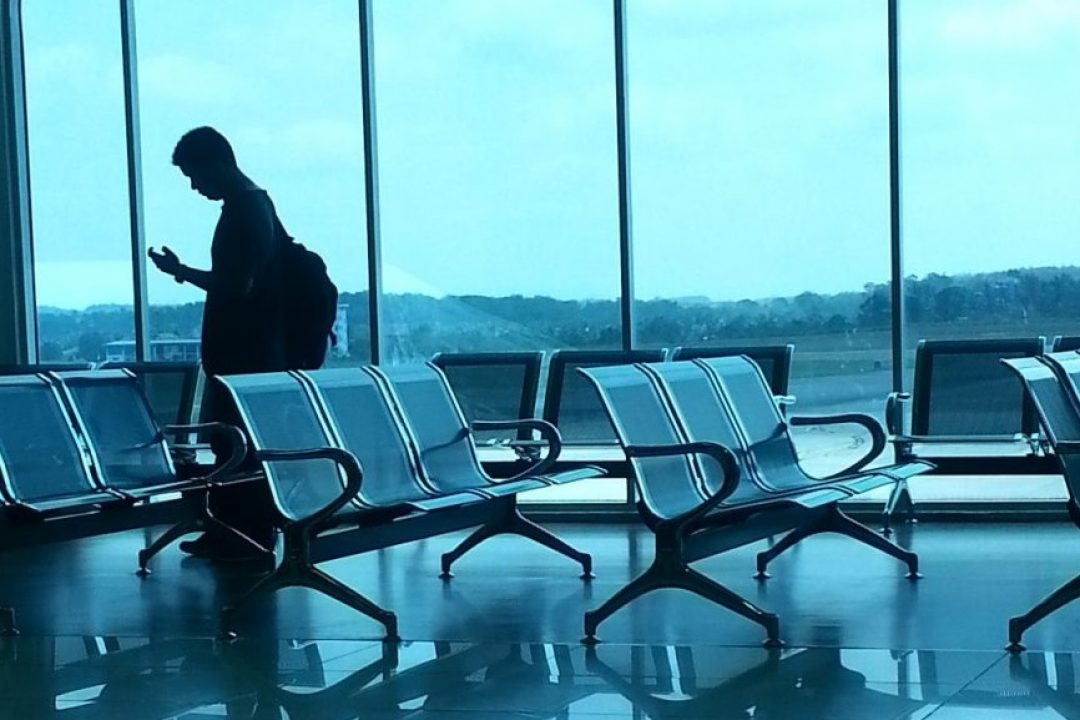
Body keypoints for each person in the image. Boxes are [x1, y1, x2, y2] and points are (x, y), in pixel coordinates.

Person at [149, 126, 286, 560]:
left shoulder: (243, 212)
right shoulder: (255, 206)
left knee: (234, 445)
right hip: (253, 353)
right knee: (237, 444)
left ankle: (242, 535)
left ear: (217, 164)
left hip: (244, 355)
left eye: (196, 175)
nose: (195, 187)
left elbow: (236, 285)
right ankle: (237, 530)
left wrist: (182, 271)